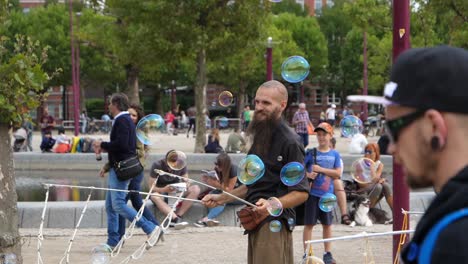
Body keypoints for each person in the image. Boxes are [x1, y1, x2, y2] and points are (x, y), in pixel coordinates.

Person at [347, 46, 468, 263]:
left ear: (434, 126)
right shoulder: (454, 211)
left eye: (394, 130)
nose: (391, 148)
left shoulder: (454, 241)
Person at [202, 80, 309, 264]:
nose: (259, 107)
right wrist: (222, 197)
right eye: (257, 102)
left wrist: (271, 204)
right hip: (256, 220)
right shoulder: (261, 135)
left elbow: (301, 192)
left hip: (275, 223)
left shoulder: (290, 142)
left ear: (282, 105)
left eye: (266, 103)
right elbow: (252, 184)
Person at [93, 93, 160, 249]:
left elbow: (122, 146)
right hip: (120, 167)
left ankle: (149, 228)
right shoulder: (126, 120)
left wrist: (102, 144)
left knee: (117, 205)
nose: (108, 106)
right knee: (110, 206)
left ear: (116, 104)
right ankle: (113, 241)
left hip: (121, 170)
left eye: (110, 103)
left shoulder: (122, 120)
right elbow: (124, 146)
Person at [113, 104, 160, 239]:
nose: (131, 117)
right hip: (131, 168)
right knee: (135, 201)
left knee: (121, 203)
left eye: (134, 115)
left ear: (138, 117)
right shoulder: (125, 128)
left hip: (133, 169)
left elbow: (140, 151)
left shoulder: (136, 130)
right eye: (129, 114)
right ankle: (155, 227)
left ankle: (119, 236)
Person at [303, 122, 341, 264]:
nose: (321, 137)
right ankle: (307, 253)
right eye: (318, 134)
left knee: (327, 224)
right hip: (312, 194)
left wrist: (321, 170)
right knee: (309, 224)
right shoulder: (311, 153)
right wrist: (308, 174)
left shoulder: (335, 154)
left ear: (330, 136)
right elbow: (301, 169)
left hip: (327, 195)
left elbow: (337, 173)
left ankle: (327, 253)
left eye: (324, 134)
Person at [148, 151, 201, 229]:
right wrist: (164, 189)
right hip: (162, 192)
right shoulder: (157, 165)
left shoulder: (181, 164)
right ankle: (175, 218)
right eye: (171, 162)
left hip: (176, 191)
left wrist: (185, 185)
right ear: (166, 160)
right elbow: (151, 187)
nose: (174, 165)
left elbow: (186, 180)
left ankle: (179, 215)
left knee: (196, 189)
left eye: (176, 162)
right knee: (154, 196)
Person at [195, 153, 240, 227]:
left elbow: (229, 191)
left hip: (238, 194)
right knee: (210, 194)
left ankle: (206, 219)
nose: (217, 167)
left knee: (222, 198)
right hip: (225, 191)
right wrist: (208, 180)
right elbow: (219, 186)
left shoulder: (234, 170)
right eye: (216, 164)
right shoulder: (217, 169)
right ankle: (210, 218)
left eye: (219, 165)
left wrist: (216, 184)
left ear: (225, 165)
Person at [358, 143, 393, 211]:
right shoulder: (359, 163)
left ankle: (396, 214)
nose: (368, 154)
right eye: (366, 151)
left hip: (374, 189)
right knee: (379, 186)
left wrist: (372, 167)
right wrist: (377, 181)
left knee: (385, 185)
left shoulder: (379, 164)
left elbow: (375, 178)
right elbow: (361, 184)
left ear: (376, 153)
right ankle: (367, 211)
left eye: (370, 152)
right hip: (363, 190)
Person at [329, 137, 351, 225]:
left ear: (333, 148)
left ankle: (344, 215)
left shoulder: (337, 158)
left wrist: (322, 170)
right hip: (318, 183)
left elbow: (337, 175)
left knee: (338, 182)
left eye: (329, 147)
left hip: (331, 184)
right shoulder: (317, 155)